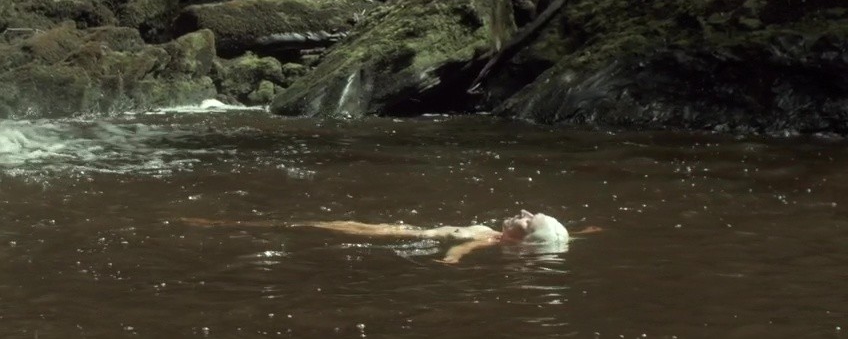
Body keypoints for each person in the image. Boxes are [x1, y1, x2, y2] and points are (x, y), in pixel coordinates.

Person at [183, 210, 599, 264]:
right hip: (402, 230)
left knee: (312, 224)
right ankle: (224, 223)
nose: (523, 212)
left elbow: (464, 245)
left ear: (518, 242)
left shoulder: (493, 241)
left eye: (527, 221)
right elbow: (561, 240)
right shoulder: (512, 237)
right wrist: (584, 232)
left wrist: (451, 258)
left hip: (392, 234)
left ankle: (220, 224)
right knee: (316, 222)